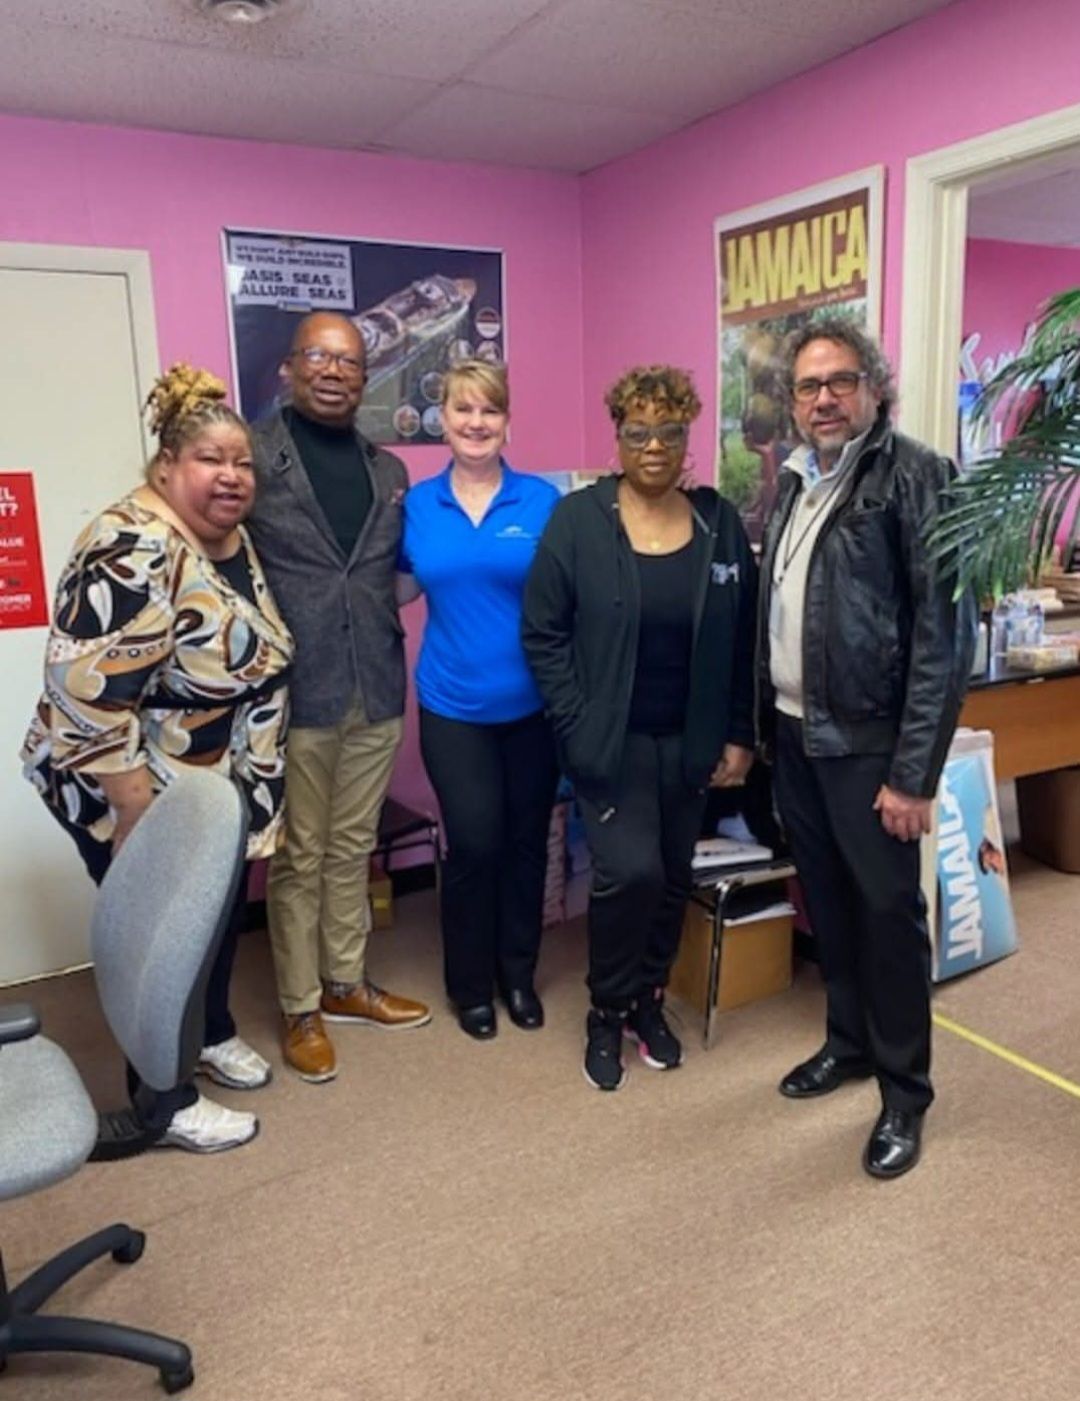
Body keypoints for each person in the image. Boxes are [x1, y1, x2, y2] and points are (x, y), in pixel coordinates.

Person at [21, 364, 294, 1154]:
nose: (231, 476)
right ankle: (161, 1101)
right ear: (166, 464)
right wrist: (138, 814)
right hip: (137, 787)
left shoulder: (226, 537)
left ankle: (207, 1035)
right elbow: (87, 694)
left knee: (207, 927)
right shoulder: (127, 545)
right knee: (161, 941)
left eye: (241, 462)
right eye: (210, 459)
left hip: (208, 780)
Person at [758, 317, 976, 1180]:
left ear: (874, 387)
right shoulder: (796, 482)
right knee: (831, 908)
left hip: (869, 744)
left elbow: (944, 635)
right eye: (808, 386)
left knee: (887, 920)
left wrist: (913, 772)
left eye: (839, 381)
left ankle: (905, 1094)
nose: (823, 398)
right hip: (796, 733)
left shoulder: (918, 476)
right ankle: (846, 1044)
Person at [523, 365, 757, 1091]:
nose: (653, 444)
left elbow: (744, 637)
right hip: (611, 740)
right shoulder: (577, 521)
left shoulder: (717, 524)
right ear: (617, 436)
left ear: (686, 437)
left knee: (672, 877)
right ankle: (605, 1008)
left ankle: (647, 1002)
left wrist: (740, 733)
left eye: (668, 431)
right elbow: (543, 631)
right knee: (631, 872)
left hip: (689, 740)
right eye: (638, 431)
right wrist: (575, 716)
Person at [247, 311, 429, 1085]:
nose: (334, 371)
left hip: (376, 686)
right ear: (289, 368)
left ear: (366, 376)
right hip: (295, 691)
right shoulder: (252, 457)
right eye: (319, 357)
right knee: (300, 857)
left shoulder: (388, 472)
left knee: (354, 850)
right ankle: (300, 1005)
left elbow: (390, 573)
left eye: (350, 361)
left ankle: (347, 983)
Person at [398, 361, 560, 1040]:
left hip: (532, 707)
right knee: (473, 842)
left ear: (507, 421)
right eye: (463, 409)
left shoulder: (541, 500)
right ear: (443, 419)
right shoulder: (418, 506)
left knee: (526, 843)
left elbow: (567, 598)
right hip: (451, 705)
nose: (475, 422)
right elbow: (400, 589)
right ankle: (470, 985)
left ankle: (517, 974)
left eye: (489, 410)